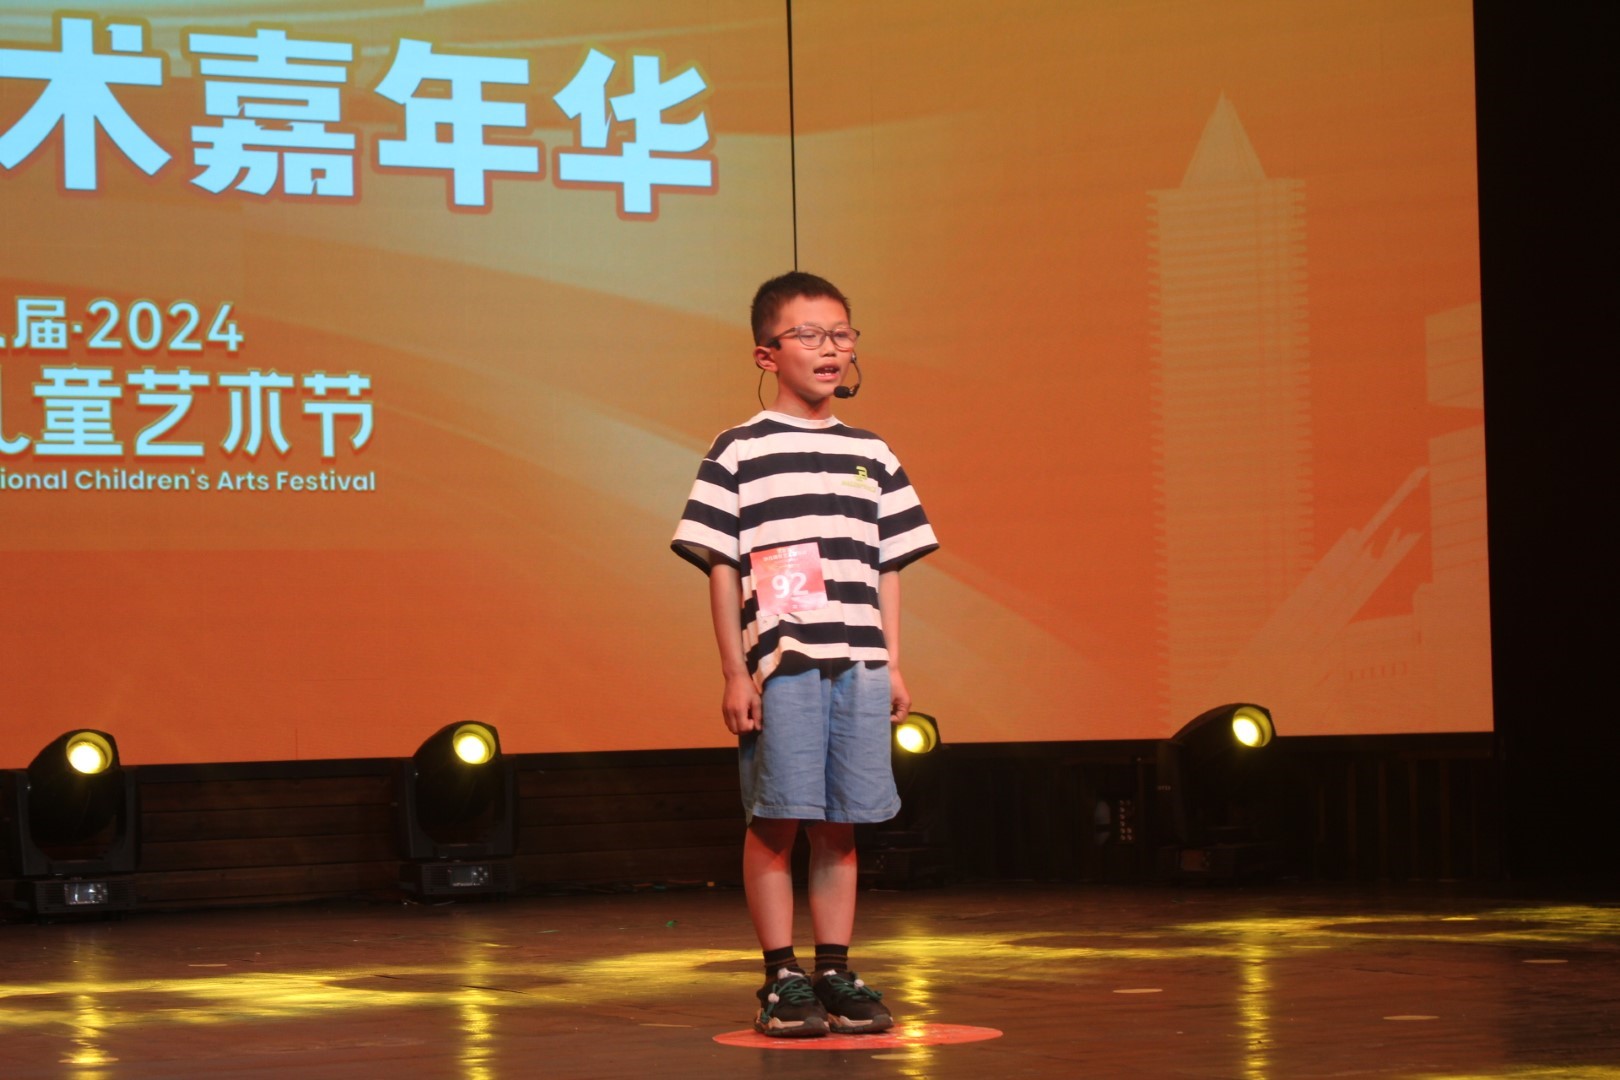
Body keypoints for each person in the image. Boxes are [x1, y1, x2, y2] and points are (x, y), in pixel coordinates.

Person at [671, 271, 938, 1037]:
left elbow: (888, 567)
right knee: (777, 819)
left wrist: (892, 661)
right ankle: (780, 976)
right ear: (767, 354)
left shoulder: (871, 453)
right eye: (810, 335)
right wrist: (734, 671)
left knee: (842, 824)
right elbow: (721, 565)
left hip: (860, 662)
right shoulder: (739, 450)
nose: (830, 348)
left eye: (841, 334)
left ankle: (835, 970)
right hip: (783, 665)